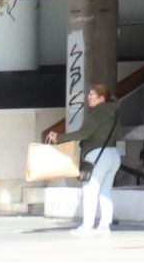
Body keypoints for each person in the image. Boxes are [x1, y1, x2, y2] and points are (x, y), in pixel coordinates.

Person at [49, 85, 121, 237]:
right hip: (113, 154)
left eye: (92, 95)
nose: (89, 98)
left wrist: (60, 138)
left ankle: (87, 226)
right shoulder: (114, 113)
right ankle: (104, 226)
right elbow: (116, 133)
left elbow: (84, 133)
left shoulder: (97, 113)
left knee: (90, 190)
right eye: (89, 95)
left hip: (97, 155)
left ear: (102, 98)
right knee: (105, 192)